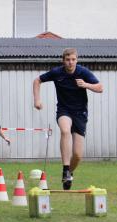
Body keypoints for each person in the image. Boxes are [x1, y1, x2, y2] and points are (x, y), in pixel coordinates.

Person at [33, 48, 103, 190]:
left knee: (77, 155)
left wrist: (86, 85)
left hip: (80, 114)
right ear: (63, 60)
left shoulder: (83, 72)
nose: (70, 62)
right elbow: (37, 80)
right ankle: (65, 168)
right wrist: (37, 100)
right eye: (67, 60)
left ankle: (69, 174)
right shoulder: (57, 72)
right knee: (65, 131)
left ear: (76, 60)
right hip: (64, 110)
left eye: (73, 59)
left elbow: (100, 88)